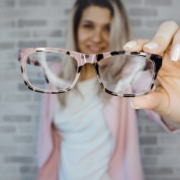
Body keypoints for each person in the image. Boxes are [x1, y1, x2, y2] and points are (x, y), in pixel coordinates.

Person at [36, 0, 180, 180]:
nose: (97, 38)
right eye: (88, 26)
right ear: (74, 29)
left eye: (108, 28)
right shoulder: (56, 73)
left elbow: (163, 105)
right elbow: (47, 144)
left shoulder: (128, 73)